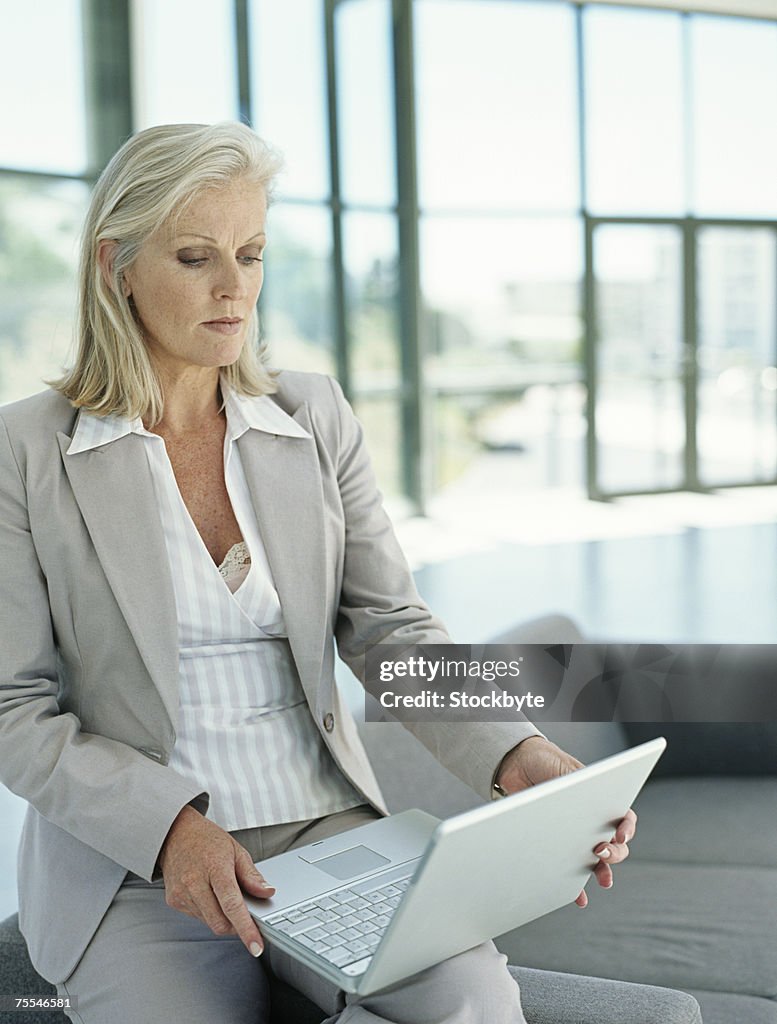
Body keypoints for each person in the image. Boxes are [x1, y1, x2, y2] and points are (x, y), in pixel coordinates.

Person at [0, 122, 635, 1024]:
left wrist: (513, 749)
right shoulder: (26, 450)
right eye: (195, 257)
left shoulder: (312, 415)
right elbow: (12, 709)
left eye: (252, 255)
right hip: (136, 863)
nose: (235, 289)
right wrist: (171, 829)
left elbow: (391, 629)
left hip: (324, 833)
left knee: (472, 1011)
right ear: (117, 265)